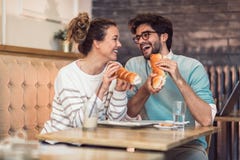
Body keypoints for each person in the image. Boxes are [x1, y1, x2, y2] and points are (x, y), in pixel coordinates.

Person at [125, 13, 217, 160]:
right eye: (138, 37)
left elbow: (206, 120)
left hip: (187, 146)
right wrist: (145, 90)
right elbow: (128, 114)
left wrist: (179, 79)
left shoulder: (192, 66)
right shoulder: (133, 65)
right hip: (149, 145)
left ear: (164, 37)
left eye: (146, 35)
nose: (141, 41)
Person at [41, 12, 135, 135]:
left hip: (92, 144)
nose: (119, 44)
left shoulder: (115, 70)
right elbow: (80, 124)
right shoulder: (68, 75)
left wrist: (119, 92)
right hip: (59, 144)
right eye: (115, 39)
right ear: (97, 43)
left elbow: (114, 122)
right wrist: (102, 88)